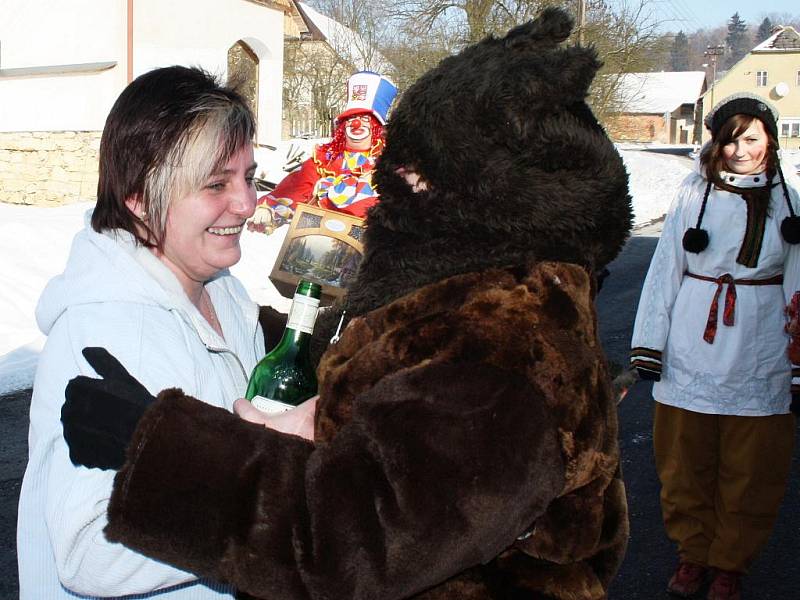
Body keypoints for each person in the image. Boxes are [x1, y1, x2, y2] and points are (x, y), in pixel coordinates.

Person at [60, 8, 632, 600]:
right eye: (216, 183)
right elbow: (83, 554)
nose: (395, 182)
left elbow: (354, 542)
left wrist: (163, 454)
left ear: (502, 192)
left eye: (420, 172)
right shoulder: (482, 293)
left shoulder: (503, 338)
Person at [16, 66, 296, 599]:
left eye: (249, 177)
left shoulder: (222, 291)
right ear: (140, 197)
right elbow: (92, 552)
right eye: (217, 184)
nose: (246, 203)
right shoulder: (108, 334)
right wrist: (280, 489)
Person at [630, 92, 800, 600]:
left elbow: (799, 286)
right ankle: (692, 555)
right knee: (684, 461)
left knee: (752, 470)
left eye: (751, 138)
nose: (740, 149)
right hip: (692, 345)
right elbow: (665, 272)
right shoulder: (691, 193)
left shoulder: (790, 204)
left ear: (769, 140)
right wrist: (649, 345)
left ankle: (730, 564)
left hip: (760, 346)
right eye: (730, 139)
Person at [248, 70, 398, 233]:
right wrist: (269, 209)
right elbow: (297, 187)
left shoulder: (391, 163)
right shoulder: (324, 160)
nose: (356, 124)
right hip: (319, 241)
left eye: (365, 119)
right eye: (351, 119)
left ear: (377, 127)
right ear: (342, 126)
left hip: (372, 247)